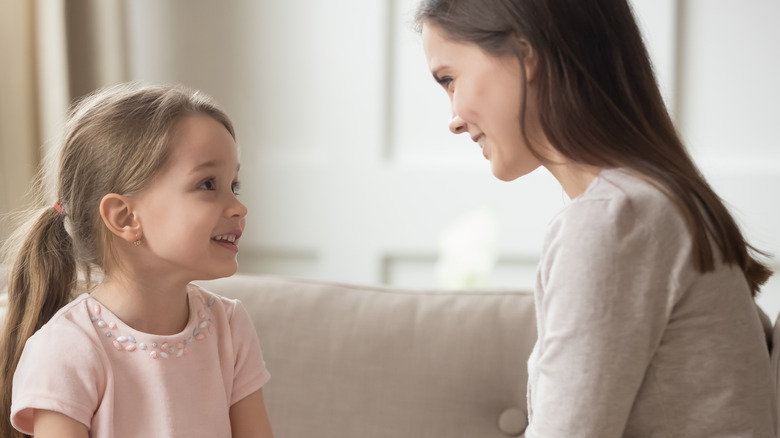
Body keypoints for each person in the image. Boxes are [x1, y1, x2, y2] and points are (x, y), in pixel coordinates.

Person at [415, 0, 776, 436]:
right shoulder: (657, 205)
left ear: (524, 54)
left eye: (450, 79)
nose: (453, 120)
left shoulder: (615, 219)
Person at [0, 82, 274, 438]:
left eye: (233, 185)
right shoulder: (67, 349)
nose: (239, 208)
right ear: (125, 217)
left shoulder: (229, 327)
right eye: (208, 184)